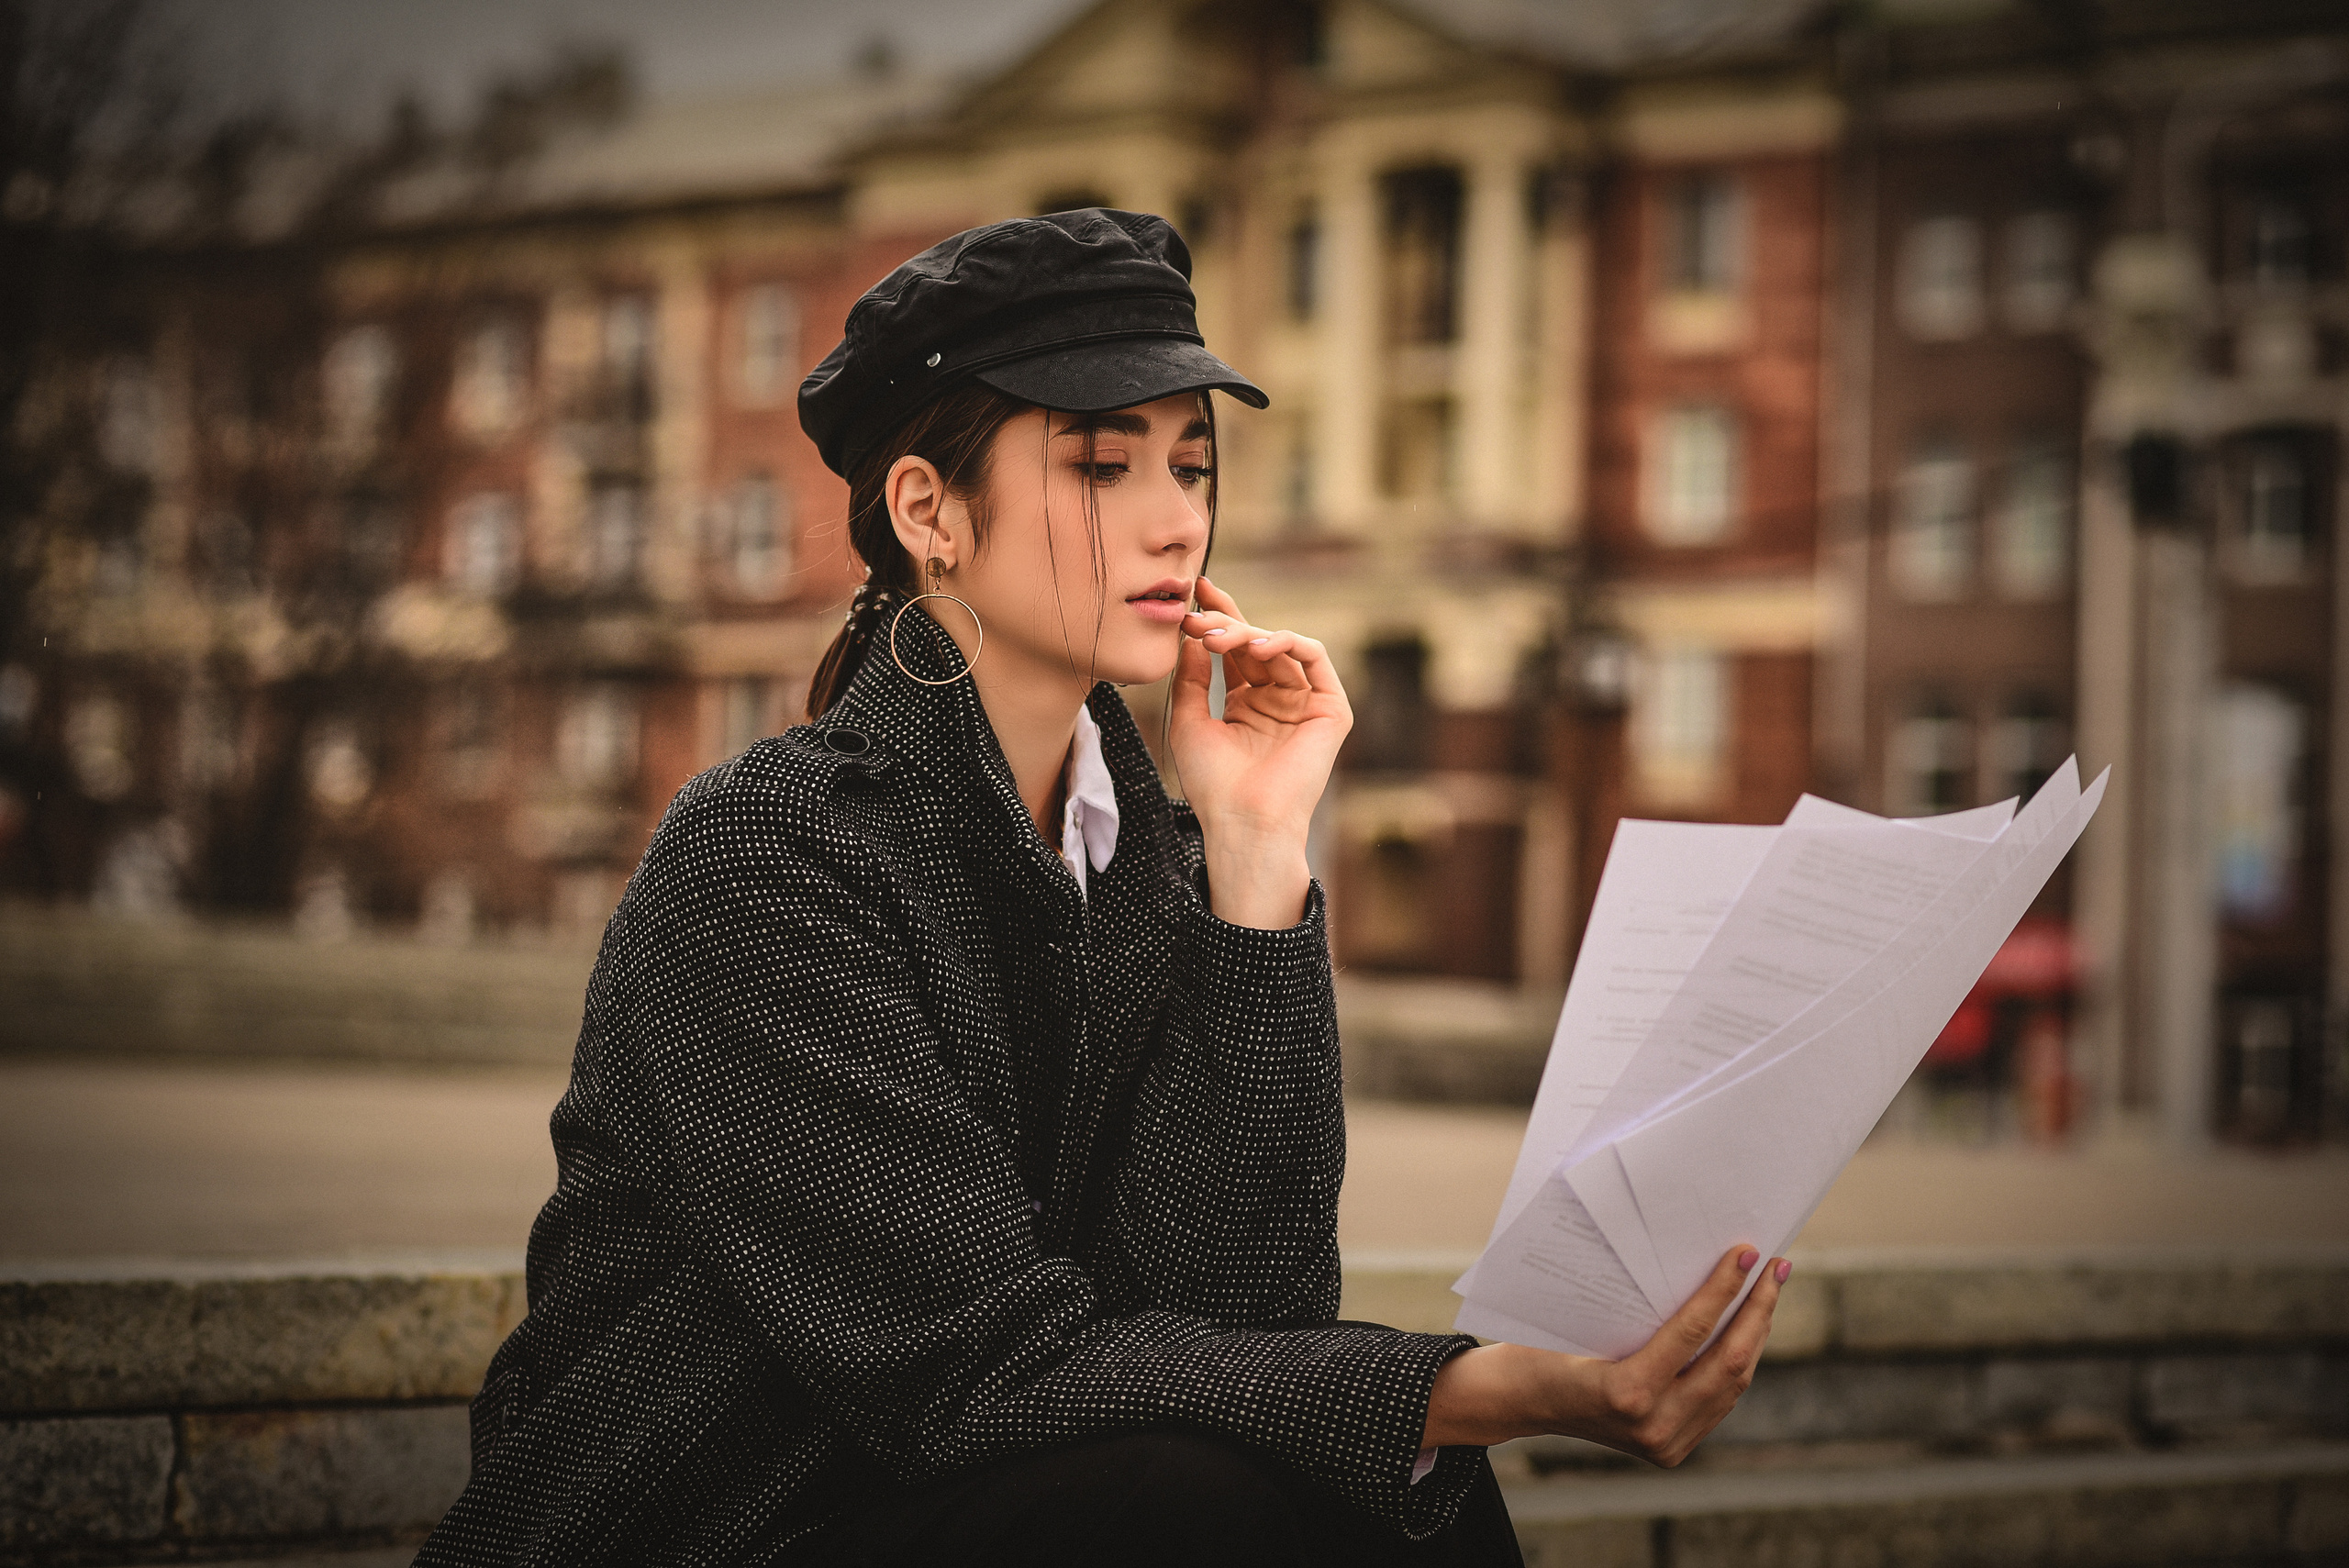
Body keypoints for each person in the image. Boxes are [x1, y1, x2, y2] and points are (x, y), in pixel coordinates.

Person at [415, 209, 1787, 1568]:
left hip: (972, 1502)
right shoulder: (768, 855)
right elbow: (976, 1371)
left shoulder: (1144, 856)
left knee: (1363, 1489)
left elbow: (1236, 1310)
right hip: (716, 1529)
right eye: (1101, 464)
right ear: (927, 510)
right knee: (1242, 1491)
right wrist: (1465, 1388)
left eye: (1192, 468)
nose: (1172, 519)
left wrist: (1254, 859)